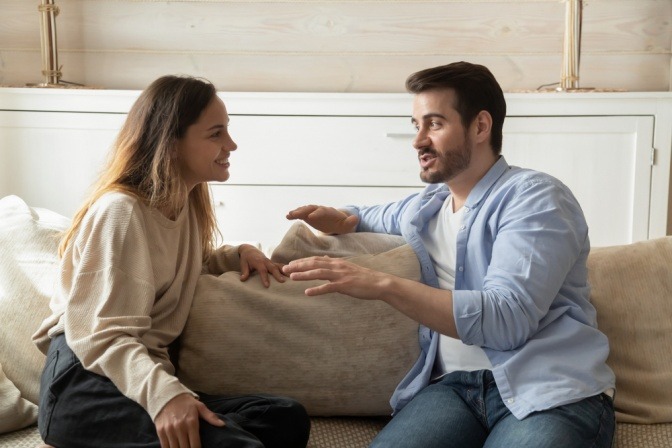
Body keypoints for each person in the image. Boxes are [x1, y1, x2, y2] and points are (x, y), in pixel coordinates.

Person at [283, 61, 616, 448]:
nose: (418, 141)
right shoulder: (427, 208)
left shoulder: (536, 197)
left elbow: (507, 319)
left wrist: (382, 285)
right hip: (454, 390)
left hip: (550, 391)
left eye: (435, 124)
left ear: (480, 127)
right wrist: (344, 219)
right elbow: (373, 214)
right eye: (416, 125)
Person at [32, 75, 311, 448]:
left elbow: (181, 263)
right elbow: (102, 336)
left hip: (136, 374)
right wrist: (166, 396)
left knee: (285, 417)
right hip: (85, 382)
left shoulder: (184, 207)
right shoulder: (121, 211)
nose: (231, 144)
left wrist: (239, 252)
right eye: (216, 134)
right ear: (172, 143)